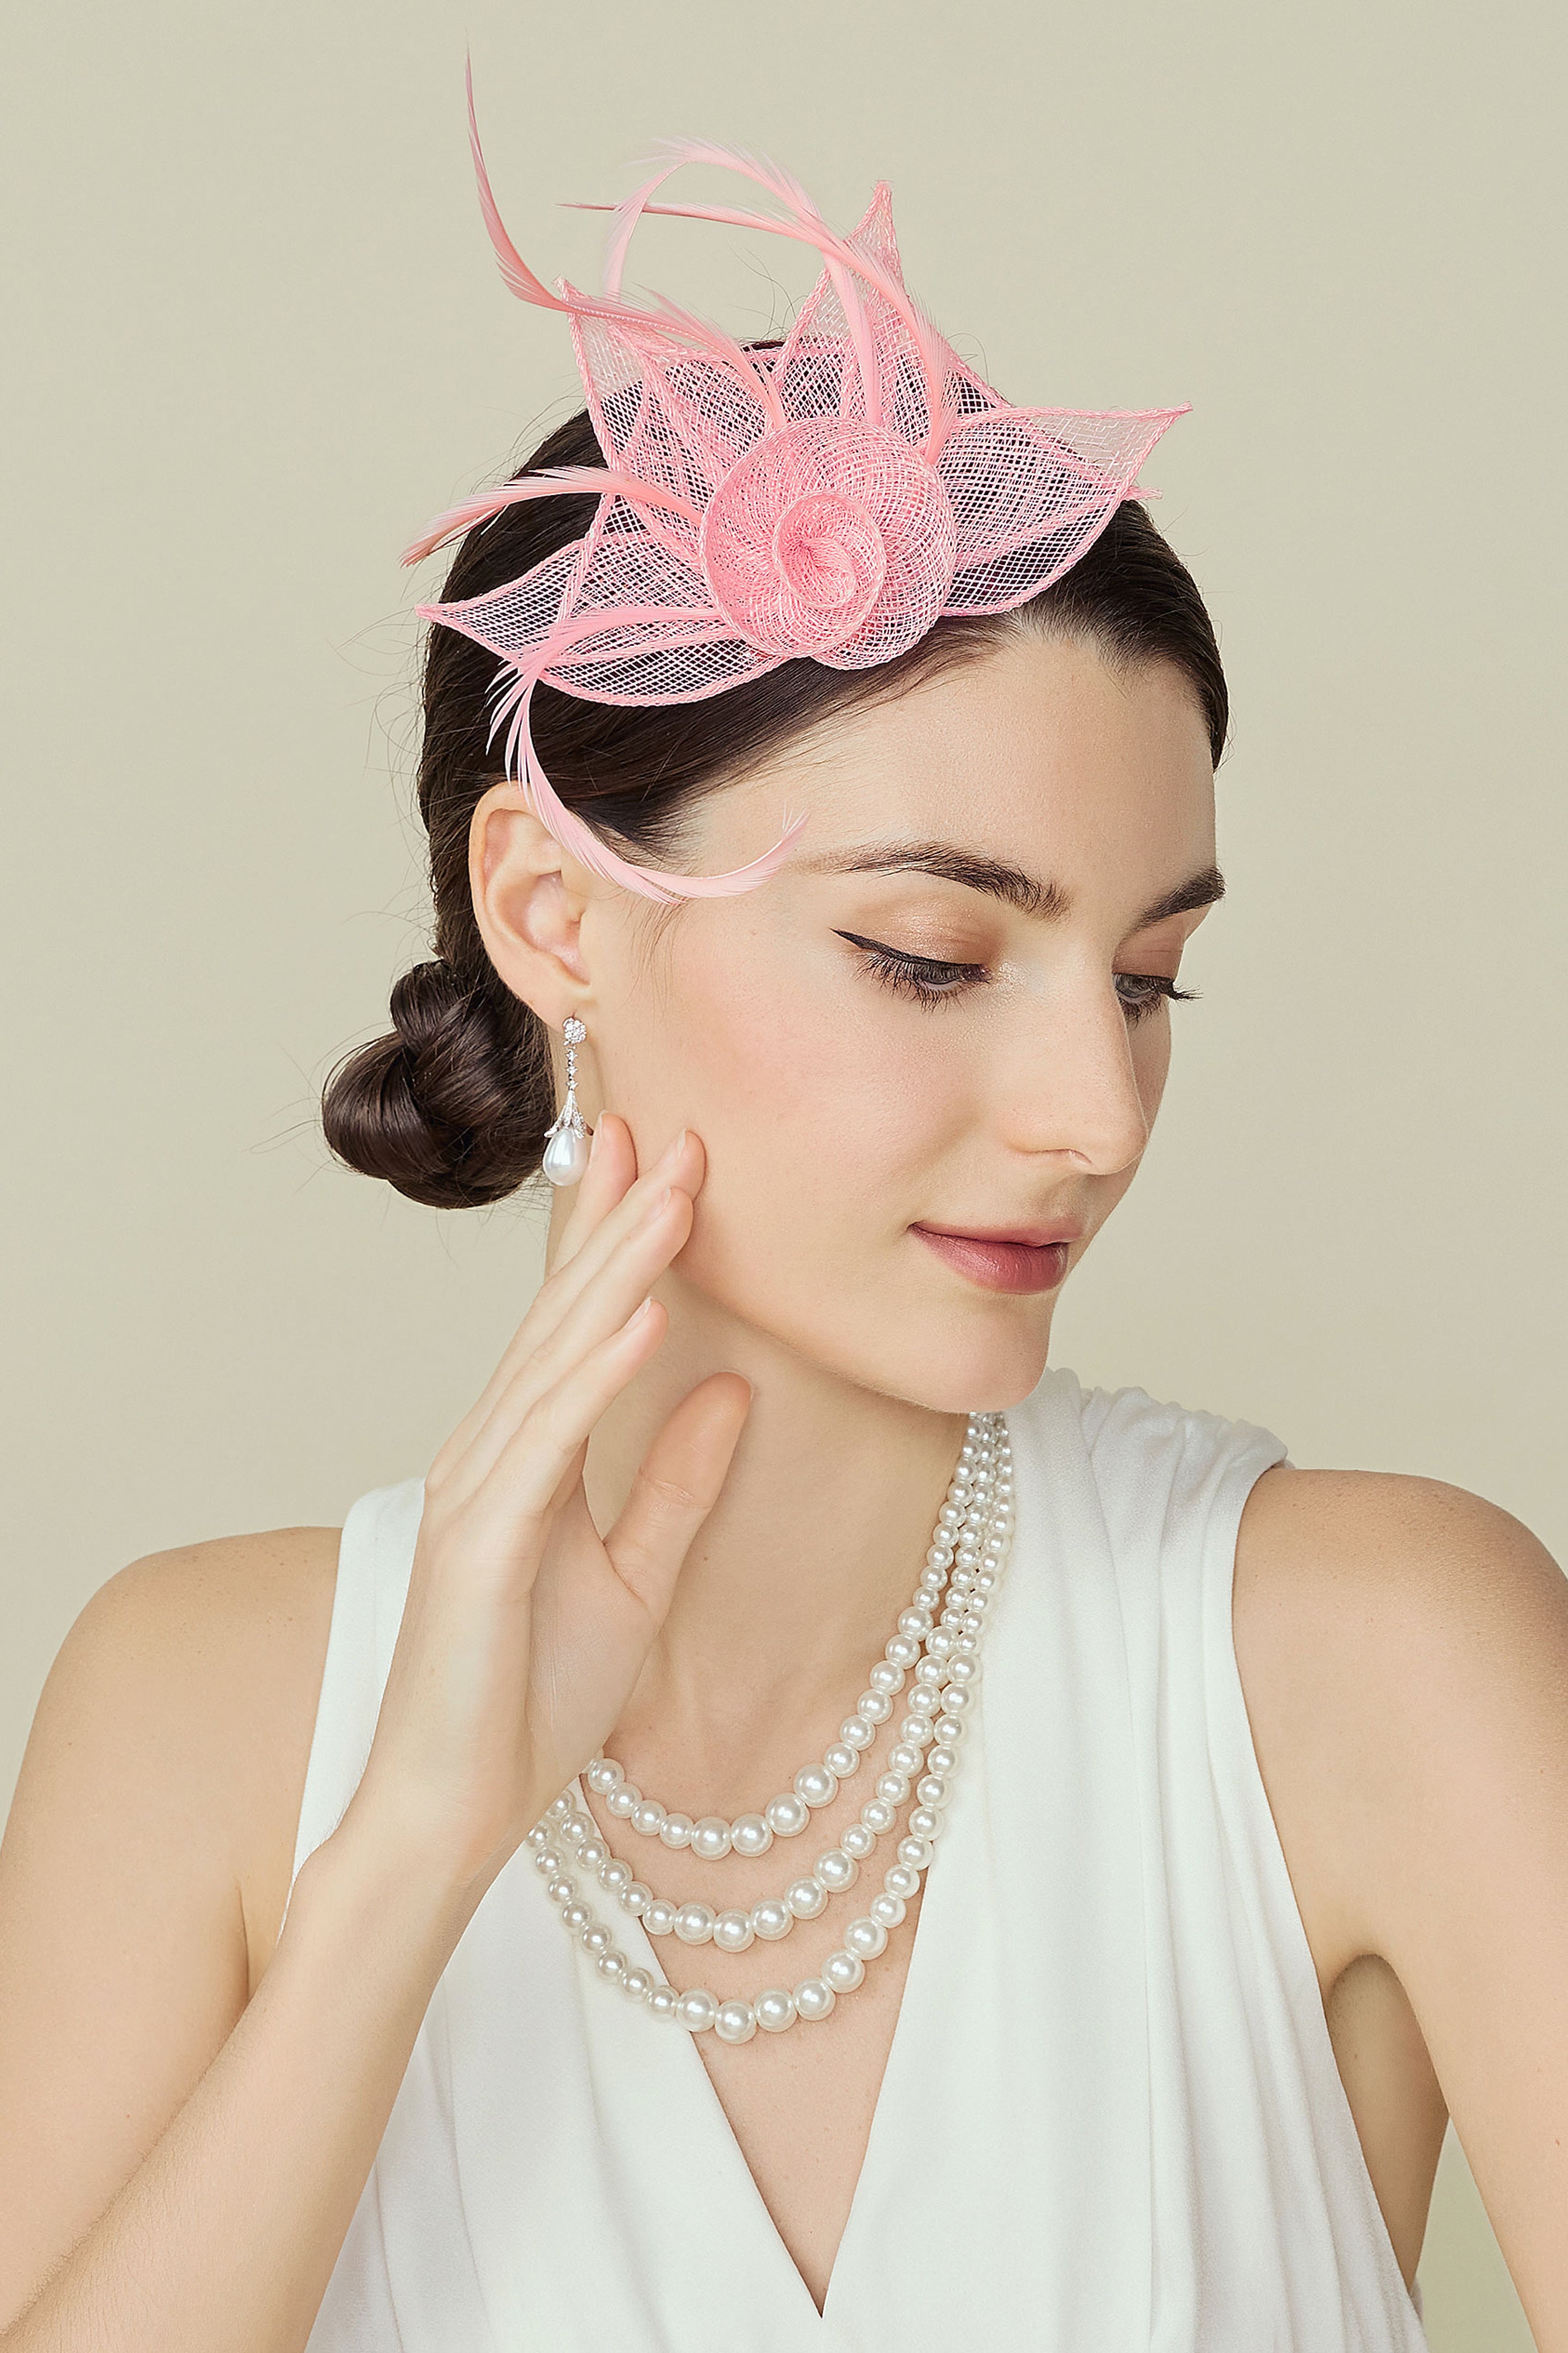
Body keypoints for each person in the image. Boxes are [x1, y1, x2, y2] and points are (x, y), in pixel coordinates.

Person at [1, 125, 1564, 2353]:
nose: (1097, 1112)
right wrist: (407, 1857)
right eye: (935, 956)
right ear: (554, 913)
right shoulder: (195, 1718)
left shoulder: (1376, 1656)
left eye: (1149, 980)